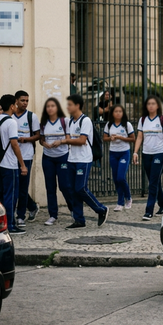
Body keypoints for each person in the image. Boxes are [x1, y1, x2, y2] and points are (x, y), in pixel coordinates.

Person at [61, 94, 109, 229]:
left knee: (80, 188)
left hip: (84, 159)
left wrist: (64, 141)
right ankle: (79, 219)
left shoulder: (85, 121)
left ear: (77, 106)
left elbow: (82, 141)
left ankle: (101, 209)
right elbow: (71, 139)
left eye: (70, 104)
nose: (68, 107)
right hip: (72, 159)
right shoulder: (70, 121)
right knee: (72, 190)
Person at [132, 96, 163, 221]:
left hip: (159, 153)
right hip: (146, 153)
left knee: (152, 183)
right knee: (155, 181)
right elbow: (139, 137)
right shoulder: (143, 120)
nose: (151, 106)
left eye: (153, 103)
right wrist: (135, 152)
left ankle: (148, 211)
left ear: (157, 106)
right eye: (149, 104)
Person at [0, 95, 28, 235]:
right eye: (15, 104)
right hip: (9, 164)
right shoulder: (11, 122)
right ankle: (11, 225)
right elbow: (14, 144)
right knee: (11, 195)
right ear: (12, 106)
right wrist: (22, 164)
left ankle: (0, 224)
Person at [39, 97, 74, 226]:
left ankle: (73, 209)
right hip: (48, 157)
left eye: (52, 106)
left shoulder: (65, 121)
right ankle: (53, 214)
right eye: (48, 106)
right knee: (50, 187)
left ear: (57, 107)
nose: (50, 108)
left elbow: (69, 138)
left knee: (64, 185)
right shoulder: (43, 123)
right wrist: (44, 144)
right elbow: (41, 139)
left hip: (63, 156)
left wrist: (61, 142)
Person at [13, 90, 41, 226]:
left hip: (27, 155)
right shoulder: (10, 116)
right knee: (14, 186)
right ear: (16, 101)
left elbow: (38, 135)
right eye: (22, 100)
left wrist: (27, 139)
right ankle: (33, 206)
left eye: (27, 101)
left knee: (23, 187)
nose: (25, 103)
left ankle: (20, 216)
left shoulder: (31, 117)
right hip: (11, 157)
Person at [103, 105, 135, 212]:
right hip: (113, 153)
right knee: (116, 179)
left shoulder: (127, 125)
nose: (118, 113)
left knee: (121, 177)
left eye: (120, 111)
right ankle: (120, 202)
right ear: (112, 113)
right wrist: (110, 138)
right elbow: (104, 138)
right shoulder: (109, 124)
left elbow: (133, 139)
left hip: (124, 153)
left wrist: (121, 137)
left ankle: (128, 197)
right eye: (116, 111)